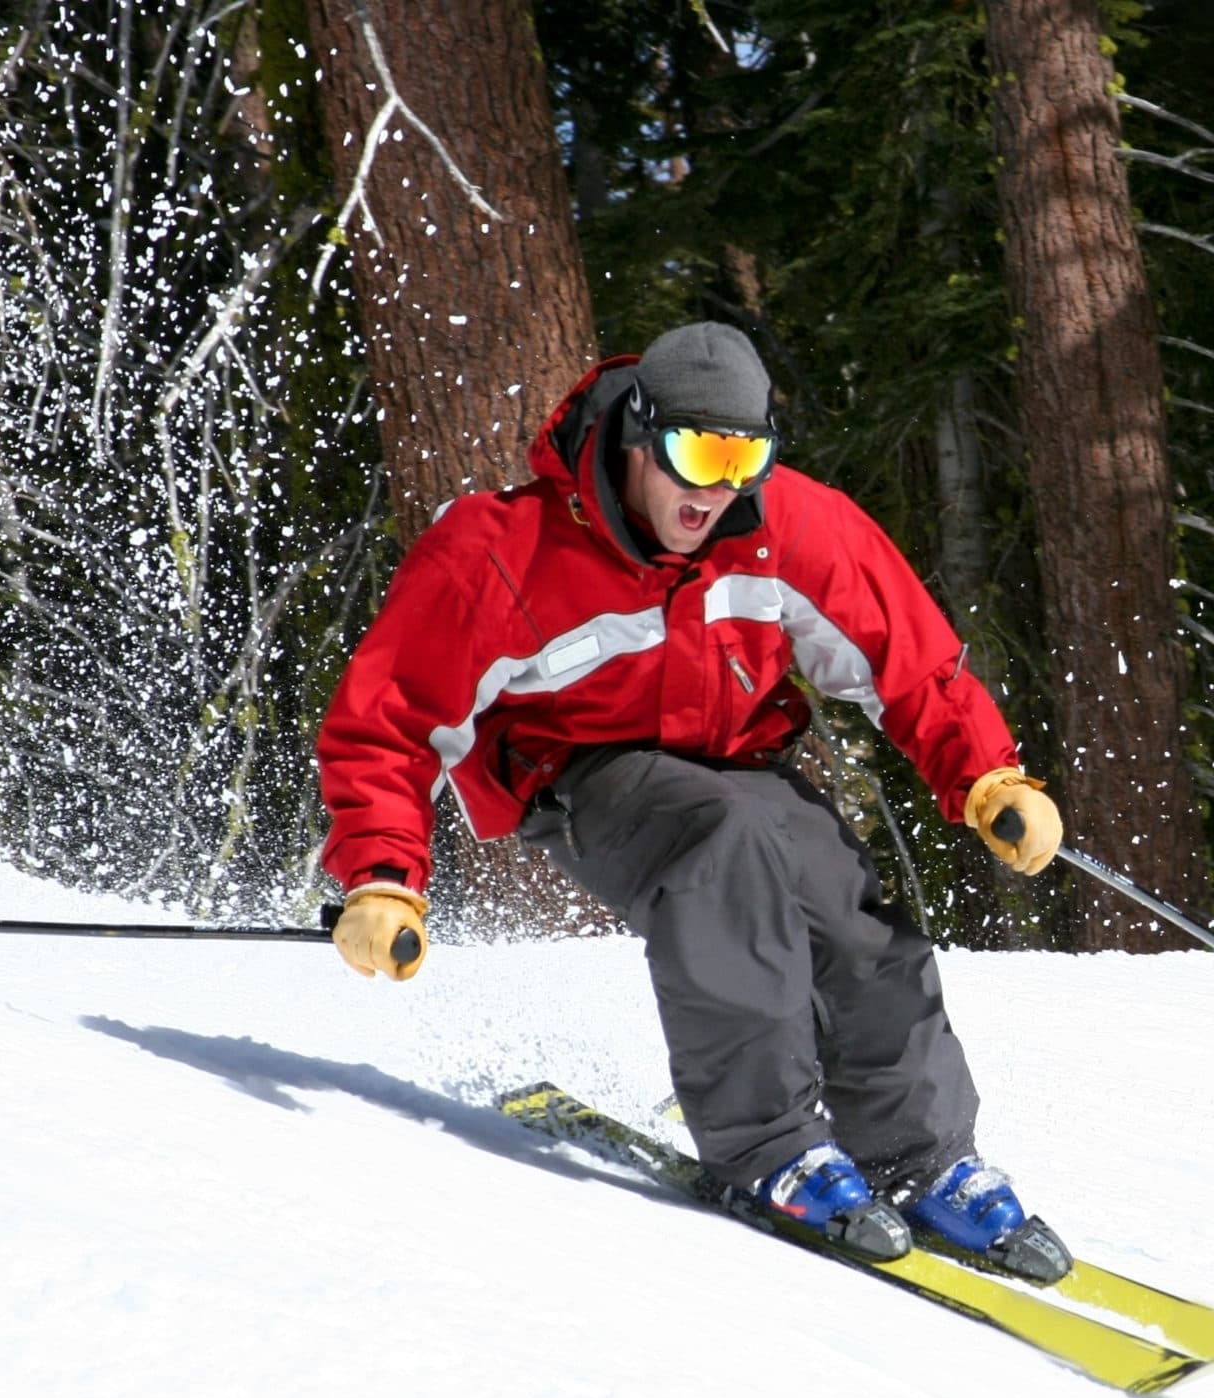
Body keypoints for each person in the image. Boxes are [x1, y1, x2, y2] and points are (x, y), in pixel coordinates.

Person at [314, 322, 1072, 1282]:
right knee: (729, 841)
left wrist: (989, 775)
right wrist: (382, 874)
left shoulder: (783, 525)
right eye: (695, 453)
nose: (715, 488)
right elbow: (388, 723)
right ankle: (767, 1143)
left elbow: (908, 659)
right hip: (583, 775)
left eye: (744, 456)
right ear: (640, 434)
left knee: (841, 898)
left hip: (737, 763)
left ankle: (922, 1155)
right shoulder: (503, 551)